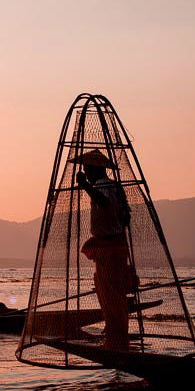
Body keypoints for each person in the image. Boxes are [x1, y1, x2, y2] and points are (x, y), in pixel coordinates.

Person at [71, 149, 133, 350]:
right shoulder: (112, 186)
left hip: (110, 248)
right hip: (113, 246)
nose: (86, 172)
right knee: (109, 289)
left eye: (87, 169)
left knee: (111, 292)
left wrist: (85, 186)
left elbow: (104, 203)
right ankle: (116, 333)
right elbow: (124, 216)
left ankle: (116, 337)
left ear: (95, 169)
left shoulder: (103, 185)